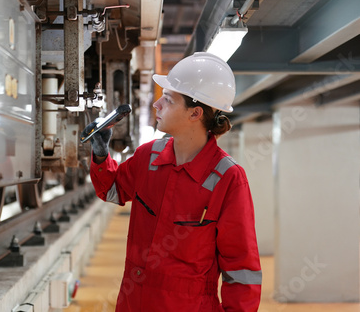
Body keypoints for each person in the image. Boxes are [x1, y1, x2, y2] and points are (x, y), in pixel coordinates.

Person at [81, 52, 261, 311]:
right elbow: (112, 189)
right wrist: (100, 154)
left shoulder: (228, 178)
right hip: (134, 302)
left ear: (195, 113)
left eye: (168, 99)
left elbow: (241, 269)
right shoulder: (149, 156)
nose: (157, 104)